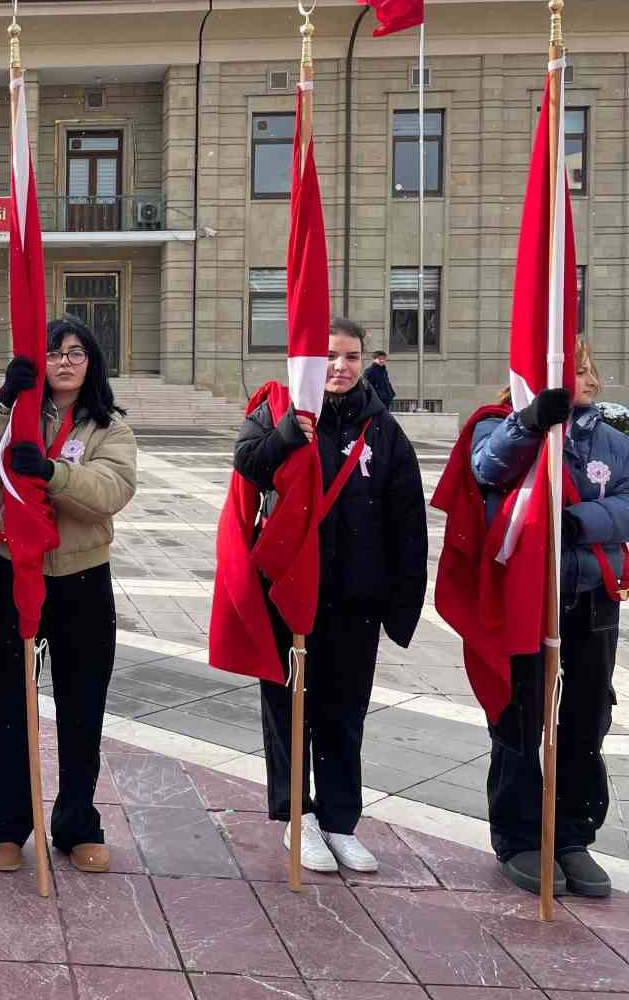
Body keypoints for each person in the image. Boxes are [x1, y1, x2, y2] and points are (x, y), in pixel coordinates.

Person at [233, 317, 427, 873]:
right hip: (289, 596)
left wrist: (401, 603)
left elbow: (406, 519)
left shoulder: (383, 429)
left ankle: (340, 820)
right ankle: (297, 818)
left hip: (354, 601)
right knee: (289, 709)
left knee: (344, 715)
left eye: (350, 356)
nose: (339, 367)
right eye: (328, 356)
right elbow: (249, 462)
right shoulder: (276, 410)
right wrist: (291, 432)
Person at [0, 318, 136, 872]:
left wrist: (54, 474)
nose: (64, 362)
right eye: (53, 353)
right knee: (7, 701)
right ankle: (3, 823)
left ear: (92, 363)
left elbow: (113, 490)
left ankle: (77, 822)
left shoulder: (110, 428)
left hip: (82, 578)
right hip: (13, 571)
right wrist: (6, 403)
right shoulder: (16, 418)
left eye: (76, 353)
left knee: (83, 705)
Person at [471, 338, 628, 898]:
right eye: (572, 370)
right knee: (519, 717)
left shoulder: (613, 440)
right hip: (525, 602)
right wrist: (530, 424)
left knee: (585, 721)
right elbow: (487, 469)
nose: (584, 379)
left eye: (589, 370)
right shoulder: (501, 425)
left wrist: (582, 522)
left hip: (590, 601)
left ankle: (571, 837)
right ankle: (518, 837)